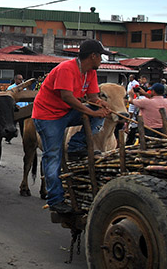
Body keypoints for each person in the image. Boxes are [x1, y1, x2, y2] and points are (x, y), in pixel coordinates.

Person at [32, 40, 111, 215]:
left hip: (65, 112)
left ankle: (75, 146)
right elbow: (67, 97)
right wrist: (91, 113)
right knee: (53, 155)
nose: (102, 60)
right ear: (93, 56)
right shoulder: (66, 69)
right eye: (101, 56)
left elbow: (92, 96)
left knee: (99, 113)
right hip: (47, 115)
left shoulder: (90, 72)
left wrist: (100, 103)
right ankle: (55, 200)